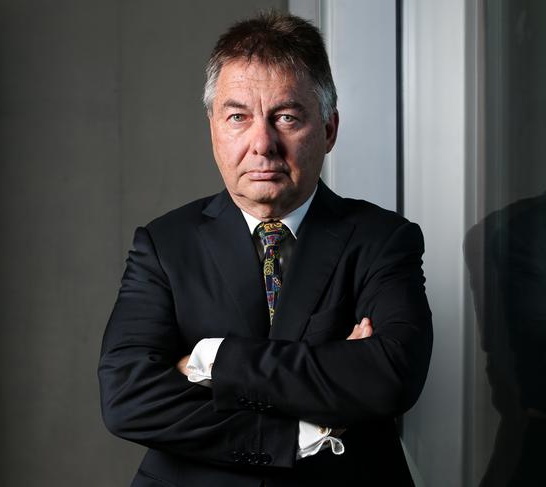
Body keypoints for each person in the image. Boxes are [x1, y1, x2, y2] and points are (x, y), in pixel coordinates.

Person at [99, 11, 433, 487]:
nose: (263, 144)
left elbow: (389, 377)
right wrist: (301, 431)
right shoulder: (164, 244)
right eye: (238, 117)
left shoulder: (382, 238)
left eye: (287, 117)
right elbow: (125, 397)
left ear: (329, 129)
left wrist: (210, 360)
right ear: (213, 129)